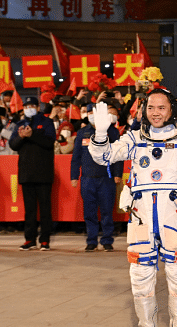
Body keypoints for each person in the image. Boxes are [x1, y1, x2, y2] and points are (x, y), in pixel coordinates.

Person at [89, 88, 177, 327]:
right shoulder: (134, 138)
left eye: (161, 107)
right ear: (143, 110)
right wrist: (100, 134)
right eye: (151, 107)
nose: (155, 113)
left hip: (174, 214)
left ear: (172, 110)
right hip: (141, 214)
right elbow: (105, 157)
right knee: (140, 276)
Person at [71, 103, 124, 252]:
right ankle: (91, 240)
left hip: (106, 178)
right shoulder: (82, 132)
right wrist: (74, 175)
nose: (91, 115)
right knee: (89, 211)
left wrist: (117, 174)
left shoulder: (112, 132)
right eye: (89, 113)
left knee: (107, 211)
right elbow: (76, 156)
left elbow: (118, 155)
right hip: (87, 178)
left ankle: (107, 240)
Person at [9, 97, 56, 251]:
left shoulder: (46, 122)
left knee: (44, 208)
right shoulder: (20, 124)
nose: (28, 108)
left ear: (37, 107)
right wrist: (22, 136)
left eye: (31, 106)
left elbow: (49, 142)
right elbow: (12, 144)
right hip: (26, 173)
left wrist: (32, 135)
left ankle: (45, 240)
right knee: (29, 209)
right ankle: (29, 239)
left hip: (43, 172)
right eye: (26, 106)